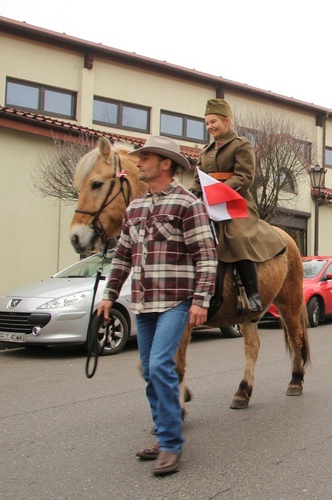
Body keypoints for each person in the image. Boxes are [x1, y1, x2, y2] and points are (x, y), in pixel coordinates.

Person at [97, 135, 218, 476]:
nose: (139, 162)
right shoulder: (135, 208)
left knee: (162, 365)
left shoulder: (187, 203)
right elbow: (122, 257)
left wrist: (201, 300)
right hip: (144, 301)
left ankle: (170, 444)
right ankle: (163, 432)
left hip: (176, 300)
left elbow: (206, 256)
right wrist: (109, 295)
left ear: (165, 163)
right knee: (150, 371)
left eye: (146, 157)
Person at [196, 98, 286, 313]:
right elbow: (197, 175)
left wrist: (219, 191)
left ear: (227, 121)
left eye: (214, 121)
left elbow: (245, 177)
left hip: (235, 202)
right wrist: (192, 192)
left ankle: (251, 292)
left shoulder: (241, 145)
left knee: (237, 236)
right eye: (207, 123)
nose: (210, 126)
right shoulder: (205, 149)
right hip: (208, 201)